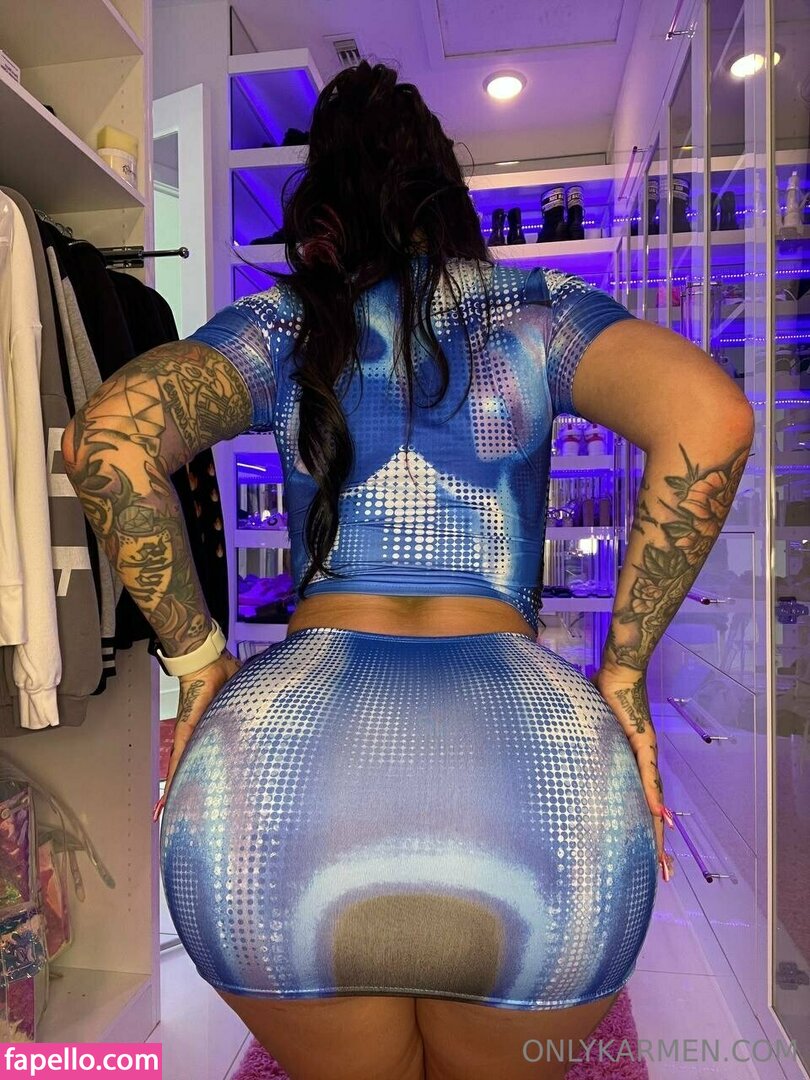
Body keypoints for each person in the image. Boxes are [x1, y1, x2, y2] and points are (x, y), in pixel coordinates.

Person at [62, 60, 754, 1080]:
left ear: (321, 206)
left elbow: (106, 438)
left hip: (282, 783)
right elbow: (713, 417)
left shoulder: (286, 324)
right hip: (535, 777)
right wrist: (623, 672)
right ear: (446, 190)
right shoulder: (537, 309)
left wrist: (199, 661)